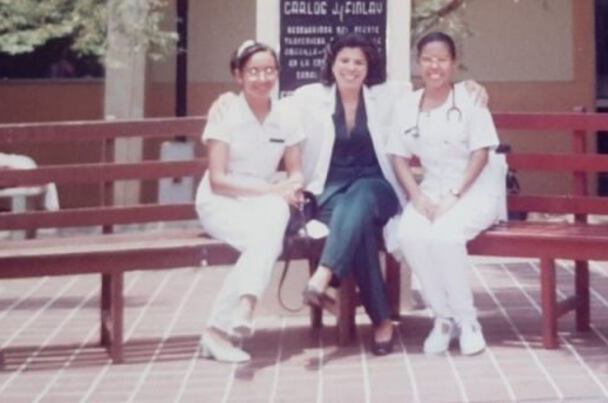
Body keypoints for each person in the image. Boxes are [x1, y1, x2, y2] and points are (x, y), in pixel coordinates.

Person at [291, 33, 409, 355]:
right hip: (330, 193)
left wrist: (471, 89)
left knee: (359, 196)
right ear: (332, 62)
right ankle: (382, 322)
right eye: (344, 60)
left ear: (369, 67)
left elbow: (434, 91)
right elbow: (273, 118)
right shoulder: (307, 98)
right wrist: (227, 102)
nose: (351, 68)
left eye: (359, 62)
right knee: (360, 232)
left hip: (377, 188)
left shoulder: (388, 96)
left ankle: (324, 273)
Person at [389, 33, 505, 356]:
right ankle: (442, 318)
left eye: (441, 60)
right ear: (418, 62)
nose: (434, 66)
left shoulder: (470, 100)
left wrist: (455, 195)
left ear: (453, 64)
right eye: (427, 59)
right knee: (410, 234)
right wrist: (415, 196)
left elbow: (480, 154)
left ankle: (468, 322)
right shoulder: (406, 105)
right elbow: (398, 157)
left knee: (444, 237)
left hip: (473, 190)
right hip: (428, 191)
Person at [194, 40, 306, 363]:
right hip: (221, 202)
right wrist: (275, 190)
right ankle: (238, 312)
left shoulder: (286, 115)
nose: (262, 78)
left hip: (260, 202)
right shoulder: (225, 112)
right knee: (267, 235)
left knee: (268, 229)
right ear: (238, 75)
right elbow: (218, 179)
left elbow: (295, 172)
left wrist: (292, 188)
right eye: (254, 71)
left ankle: (227, 322)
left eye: (269, 70)